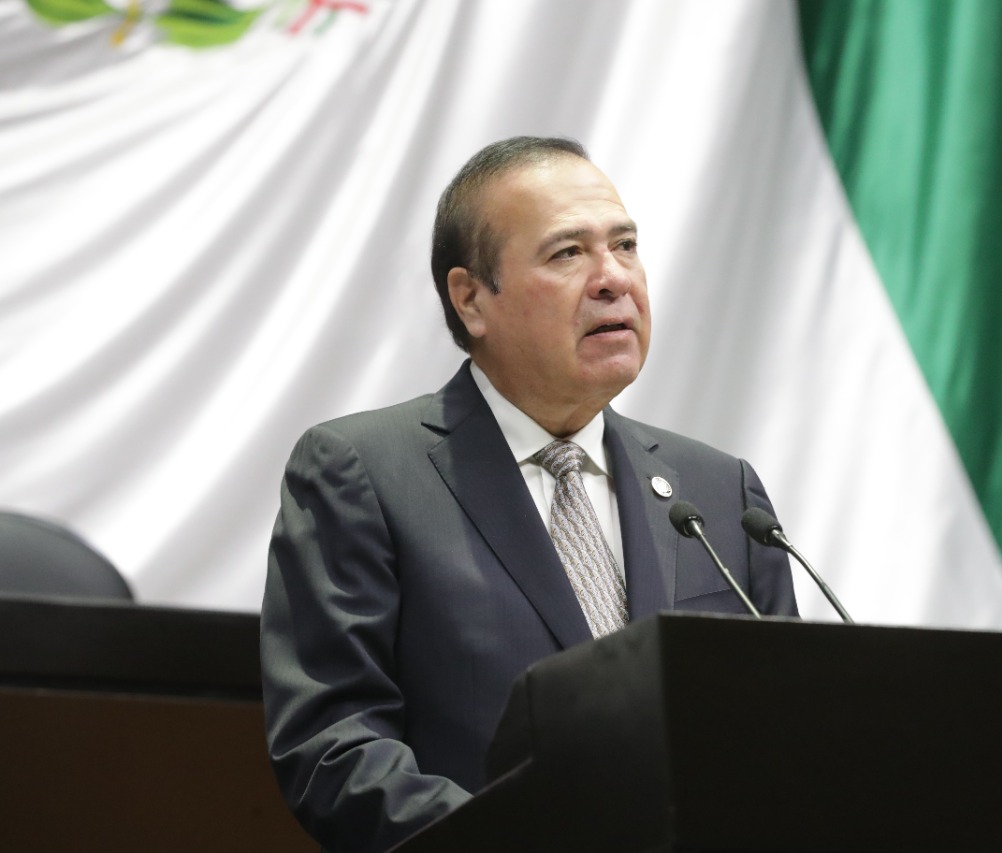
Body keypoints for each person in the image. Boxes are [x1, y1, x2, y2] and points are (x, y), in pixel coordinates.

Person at [260, 136, 798, 853]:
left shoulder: (720, 493)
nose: (613, 278)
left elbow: (784, 735)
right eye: (567, 253)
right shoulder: (363, 474)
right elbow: (334, 747)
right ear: (471, 299)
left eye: (625, 245)